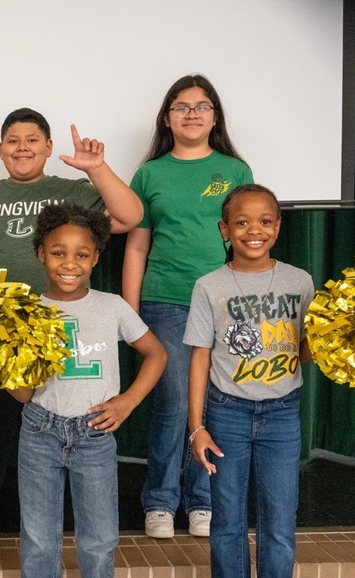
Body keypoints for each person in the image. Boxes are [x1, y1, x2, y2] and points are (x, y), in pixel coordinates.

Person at [0, 107, 143, 534]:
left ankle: (67, 513)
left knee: (56, 414)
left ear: (48, 147)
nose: (22, 147)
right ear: (1, 150)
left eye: (32, 139)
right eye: (13, 141)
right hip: (1, 330)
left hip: (62, 323)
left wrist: (97, 169)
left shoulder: (73, 188)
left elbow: (130, 217)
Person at [9, 203, 165, 578]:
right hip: (39, 429)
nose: (70, 263)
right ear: (41, 253)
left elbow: (155, 354)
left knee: (98, 539)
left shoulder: (112, 307)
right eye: (58, 253)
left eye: (81, 254)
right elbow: (20, 395)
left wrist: (127, 401)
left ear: (96, 257)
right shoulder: (27, 310)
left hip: (95, 434)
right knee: (38, 537)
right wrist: (9, 363)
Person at [186, 185, 314, 578]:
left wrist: (325, 344)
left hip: (282, 414)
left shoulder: (300, 282)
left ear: (278, 227)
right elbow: (199, 359)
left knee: (280, 527)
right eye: (241, 222)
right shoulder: (210, 286)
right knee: (228, 523)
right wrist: (197, 427)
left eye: (264, 221)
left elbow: (304, 349)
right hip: (226, 413)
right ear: (224, 230)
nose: (253, 230)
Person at [122, 75, 254, 539]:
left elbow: (247, 240)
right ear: (167, 117)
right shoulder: (151, 173)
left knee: (216, 404)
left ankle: (202, 500)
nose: (192, 114)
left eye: (201, 106)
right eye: (182, 106)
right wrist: (131, 314)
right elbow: (136, 247)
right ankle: (160, 501)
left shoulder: (235, 171)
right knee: (174, 403)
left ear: (214, 116)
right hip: (166, 302)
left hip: (224, 304)